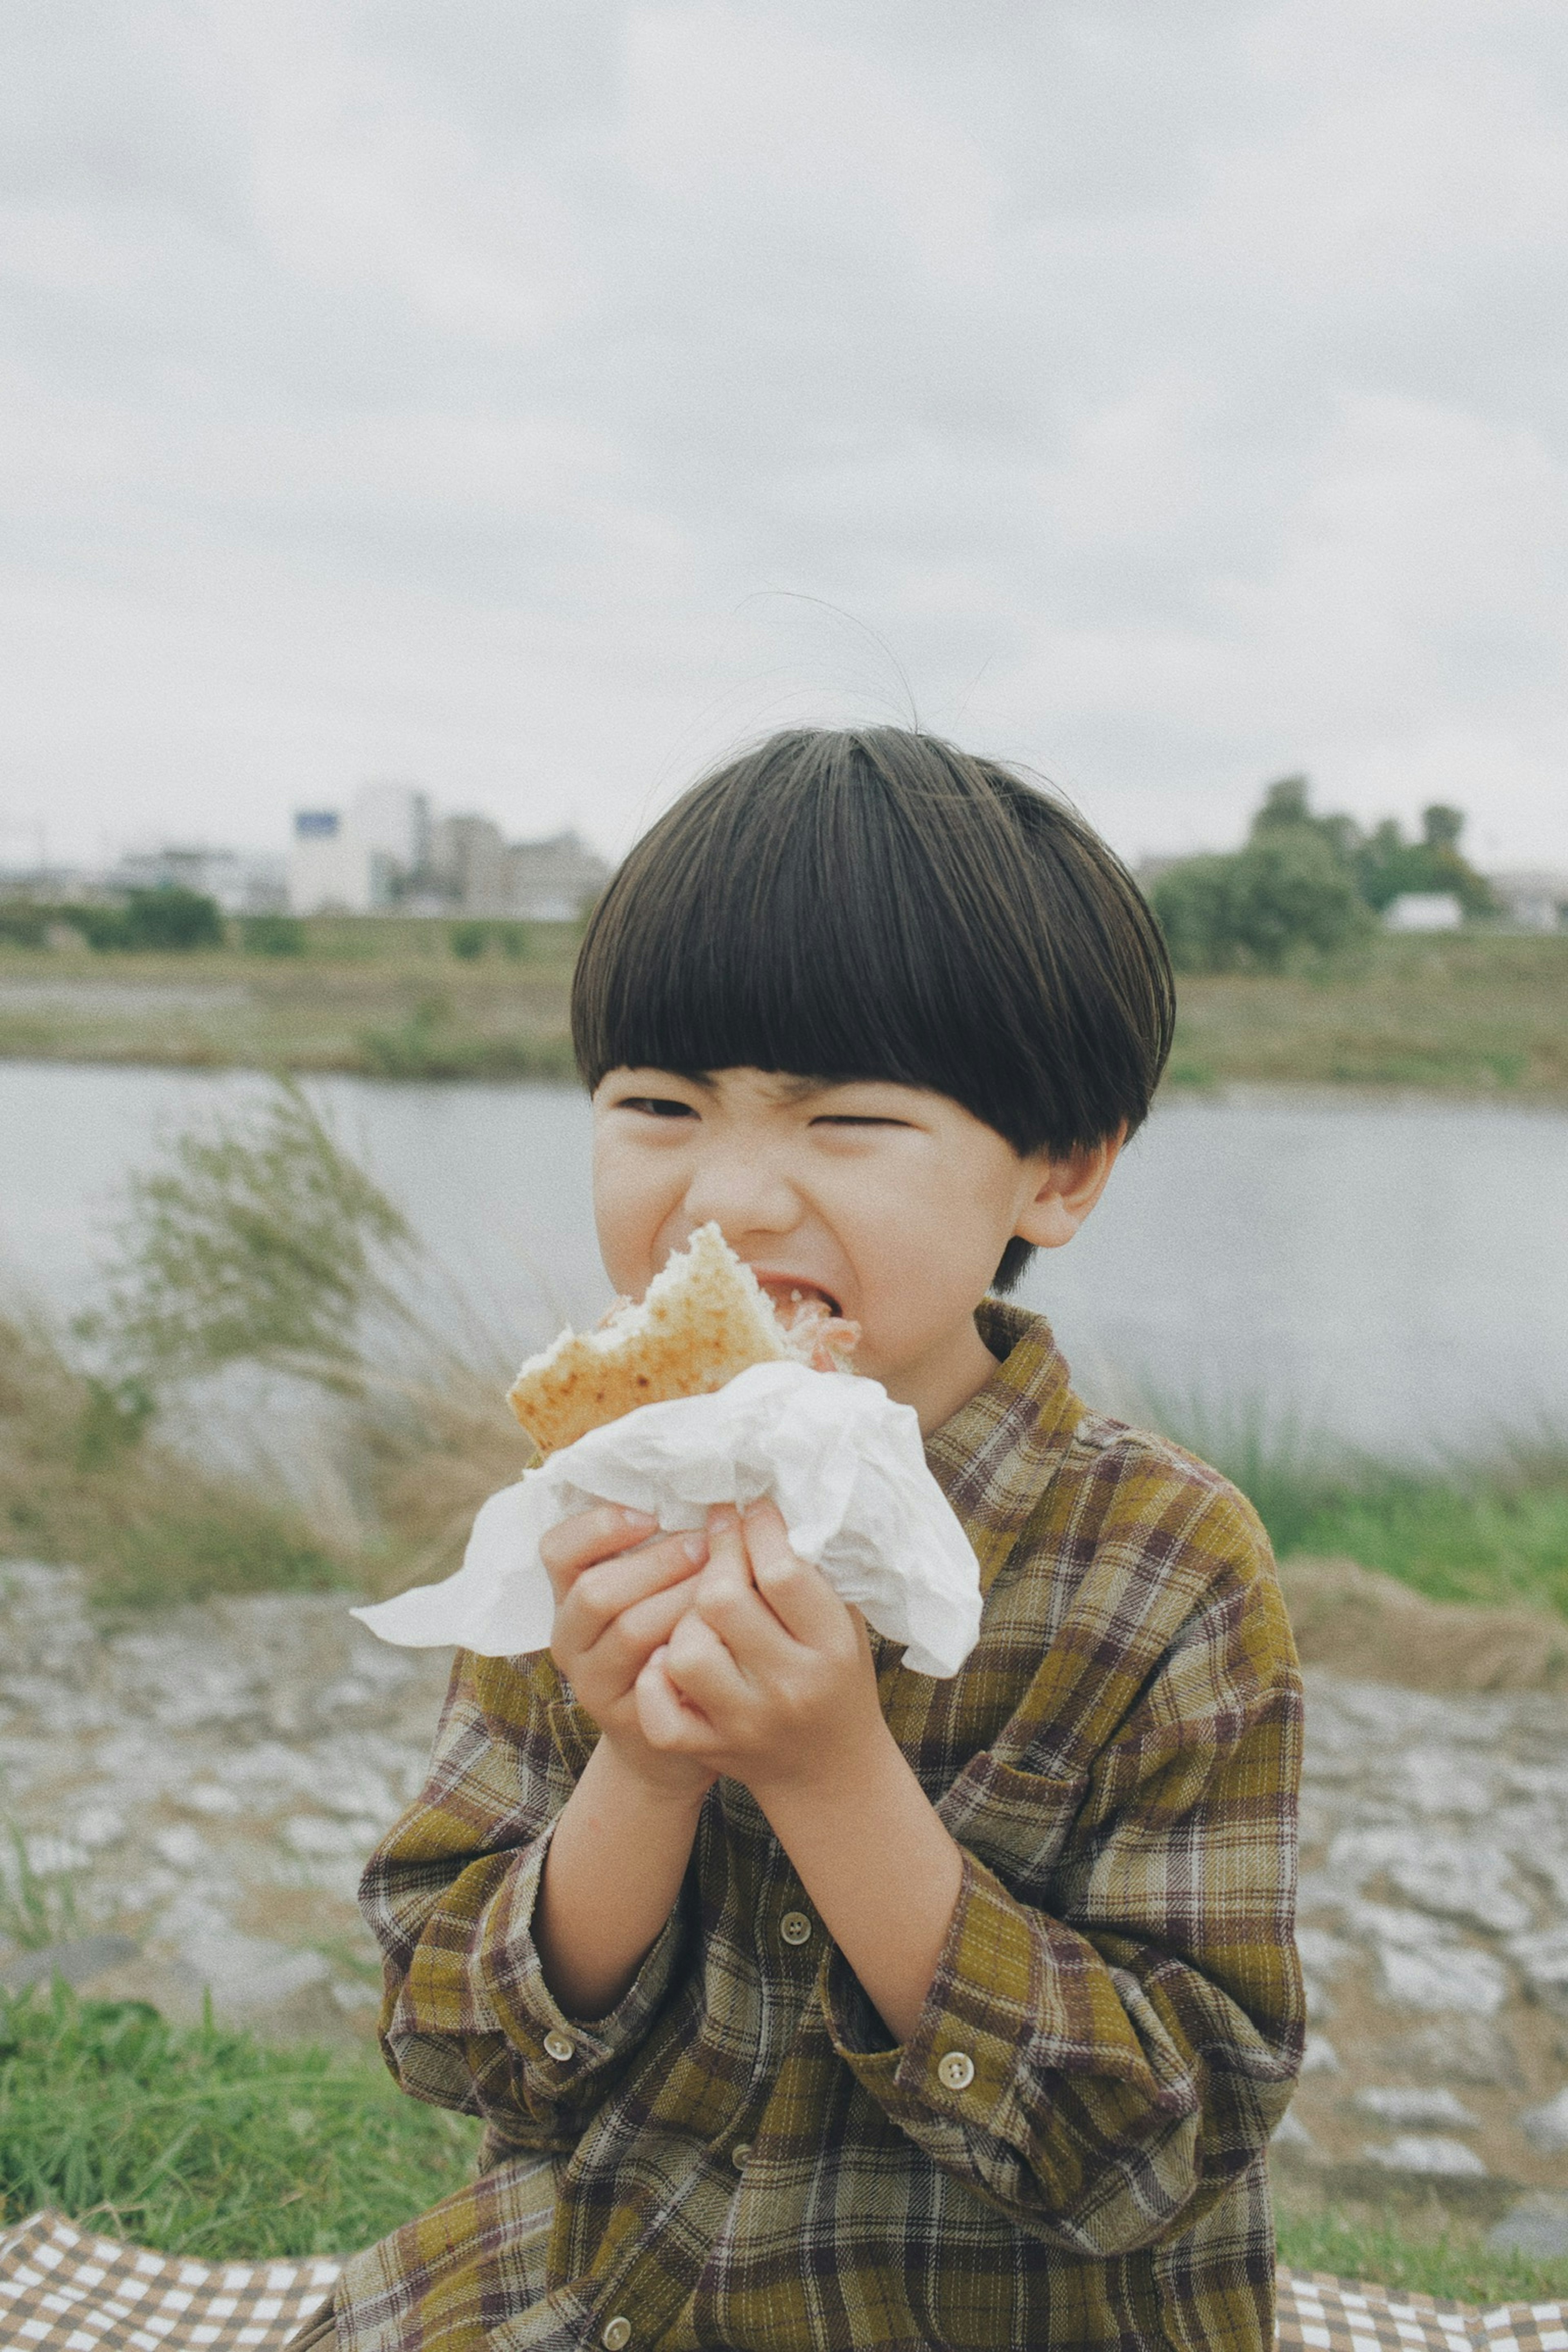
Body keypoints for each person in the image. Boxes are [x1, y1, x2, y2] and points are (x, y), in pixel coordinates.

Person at [330, 728, 1303, 2352]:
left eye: (844, 1121)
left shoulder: (1166, 1568)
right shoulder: (587, 1507)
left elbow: (1163, 2149)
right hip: (612, 2287)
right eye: (657, 1103)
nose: (723, 1201)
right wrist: (640, 1769)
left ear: (1057, 1173)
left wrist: (832, 1774)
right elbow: (451, 2046)